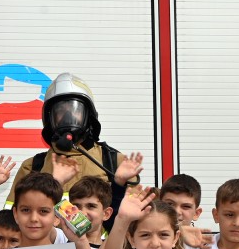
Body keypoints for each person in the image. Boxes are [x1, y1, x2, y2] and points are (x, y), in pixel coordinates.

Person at [9, 74, 141, 224]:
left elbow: (131, 222)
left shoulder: (115, 162)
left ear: (88, 116)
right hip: (49, 239)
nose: (68, 116)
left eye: (75, 110)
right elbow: (12, 222)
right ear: (50, 118)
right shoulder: (32, 167)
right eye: (61, 111)